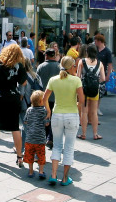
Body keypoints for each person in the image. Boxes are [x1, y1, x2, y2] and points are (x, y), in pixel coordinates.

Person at [43, 56, 84, 186]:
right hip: (71, 115)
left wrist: (48, 111)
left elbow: (44, 98)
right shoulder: (76, 80)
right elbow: (82, 99)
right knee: (69, 147)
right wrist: (77, 108)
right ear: (71, 67)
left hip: (57, 114)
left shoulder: (54, 80)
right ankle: (65, 178)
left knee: (56, 146)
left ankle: (53, 175)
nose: (75, 68)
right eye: (74, 66)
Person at [0, 43, 29, 163]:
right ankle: (19, 157)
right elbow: (24, 82)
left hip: (0, 98)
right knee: (15, 127)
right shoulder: (19, 66)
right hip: (13, 98)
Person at [76, 44, 105, 140]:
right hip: (95, 90)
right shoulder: (100, 63)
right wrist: (95, 81)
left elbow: (78, 76)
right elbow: (103, 78)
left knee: (84, 112)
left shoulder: (82, 61)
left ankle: (83, 134)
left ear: (87, 52)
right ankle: (95, 134)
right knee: (94, 112)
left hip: (84, 90)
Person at [22, 91, 48, 179]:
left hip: (29, 138)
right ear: (41, 101)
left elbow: (25, 121)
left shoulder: (29, 110)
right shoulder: (43, 111)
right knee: (41, 156)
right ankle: (41, 172)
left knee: (30, 156)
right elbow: (46, 123)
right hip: (40, 139)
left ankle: (30, 172)